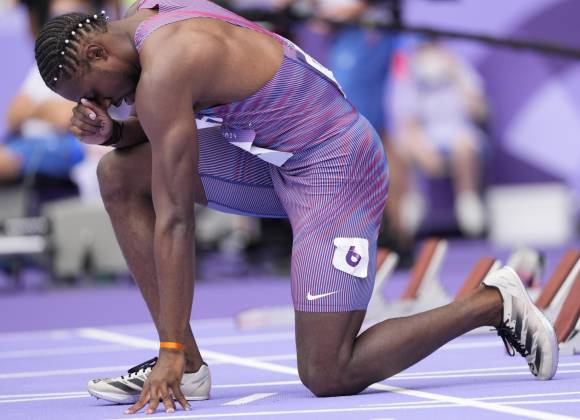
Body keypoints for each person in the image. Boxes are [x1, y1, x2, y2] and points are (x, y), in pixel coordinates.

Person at [34, 0, 557, 415]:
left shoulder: (167, 65)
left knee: (327, 373)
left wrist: (164, 343)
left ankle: (493, 302)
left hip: (337, 168)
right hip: (275, 162)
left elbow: (175, 221)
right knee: (118, 172)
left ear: (99, 55)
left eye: (94, 94)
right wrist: (116, 133)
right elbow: (161, 129)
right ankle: (189, 364)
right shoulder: (150, 16)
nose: (99, 105)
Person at [389, 39, 488, 237]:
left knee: (464, 145)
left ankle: (469, 205)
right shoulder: (408, 73)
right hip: (425, 137)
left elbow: (479, 112)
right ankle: (412, 206)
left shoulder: (459, 68)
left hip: (460, 133)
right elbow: (406, 120)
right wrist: (422, 149)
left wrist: (456, 74)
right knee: (402, 145)